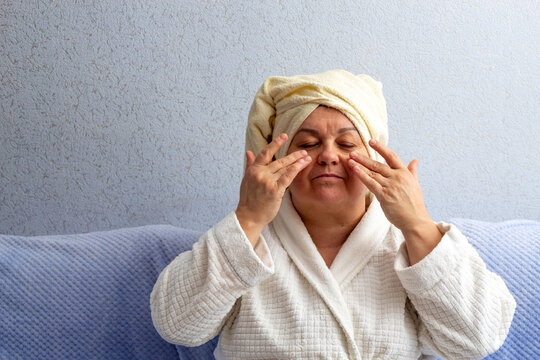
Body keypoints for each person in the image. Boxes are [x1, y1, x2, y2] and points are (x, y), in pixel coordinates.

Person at [150, 70, 516, 359]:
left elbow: (478, 340)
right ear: (276, 161)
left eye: (347, 144)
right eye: (307, 144)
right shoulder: (246, 244)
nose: (328, 155)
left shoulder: (409, 243)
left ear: (374, 158)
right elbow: (177, 325)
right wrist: (248, 218)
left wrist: (417, 223)